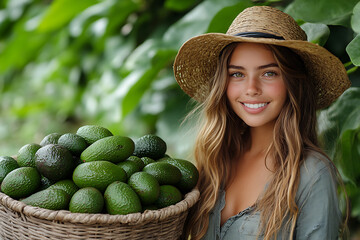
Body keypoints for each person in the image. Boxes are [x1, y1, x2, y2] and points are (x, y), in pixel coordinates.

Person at [173, 6, 351, 240]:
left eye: (269, 73)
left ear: (293, 83)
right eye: (237, 74)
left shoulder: (312, 173)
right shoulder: (214, 159)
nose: (251, 89)